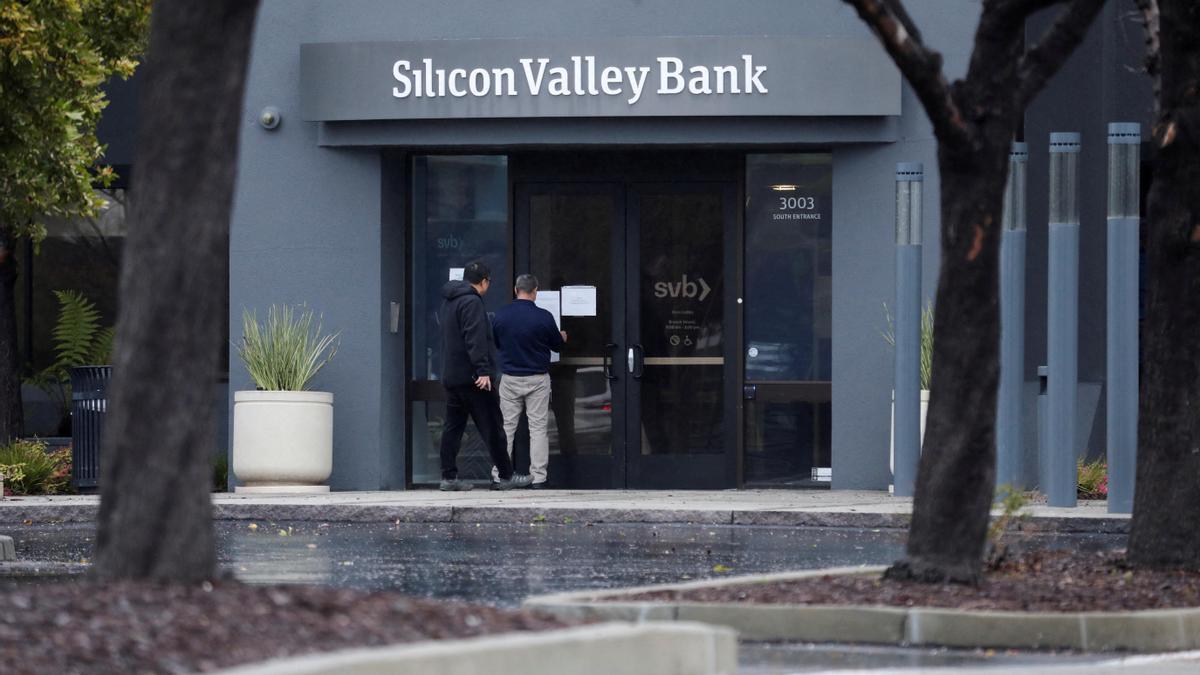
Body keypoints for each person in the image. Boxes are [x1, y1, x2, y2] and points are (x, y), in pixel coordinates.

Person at [437, 261, 532, 491]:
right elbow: (475, 337)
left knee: (452, 428)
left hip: (453, 376)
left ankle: (449, 477)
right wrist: (483, 370)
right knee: (493, 427)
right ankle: (507, 476)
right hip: (474, 379)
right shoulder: (472, 302)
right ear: (484, 281)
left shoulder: (449, 302)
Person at [492, 274, 566, 489]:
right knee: (538, 429)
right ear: (535, 291)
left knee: (506, 428)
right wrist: (562, 338)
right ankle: (539, 478)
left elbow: (496, 342)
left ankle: (499, 476)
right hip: (537, 378)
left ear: (516, 290)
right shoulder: (544, 316)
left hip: (510, 378)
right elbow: (557, 346)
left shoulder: (501, 315)